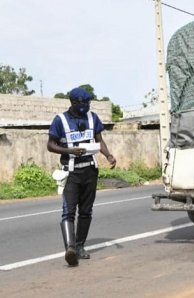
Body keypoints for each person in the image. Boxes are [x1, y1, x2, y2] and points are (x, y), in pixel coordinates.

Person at [47, 87, 116, 267]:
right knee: (68, 211)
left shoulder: (92, 118)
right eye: (82, 104)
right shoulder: (60, 120)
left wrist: (108, 155)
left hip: (90, 171)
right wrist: (69, 150)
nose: (86, 106)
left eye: (88, 103)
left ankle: (80, 246)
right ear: (73, 103)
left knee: (86, 211)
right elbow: (50, 145)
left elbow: (99, 140)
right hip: (70, 172)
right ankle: (70, 248)